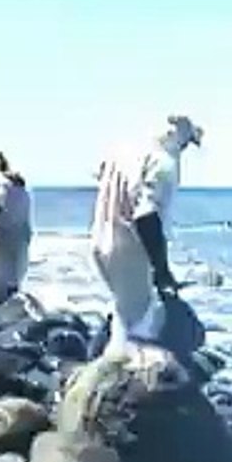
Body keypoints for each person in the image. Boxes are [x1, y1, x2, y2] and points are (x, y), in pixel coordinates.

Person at [89, 114, 202, 353]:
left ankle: (95, 364)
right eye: (186, 143)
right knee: (137, 326)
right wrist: (162, 271)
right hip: (130, 249)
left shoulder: (128, 153)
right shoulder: (164, 164)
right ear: (179, 139)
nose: (184, 149)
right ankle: (119, 380)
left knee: (121, 312)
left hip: (101, 243)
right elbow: (146, 216)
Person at [0, 151, 33, 300]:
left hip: (5, 233)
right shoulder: (20, 185)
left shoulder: (0, 181)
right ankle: (14, 304)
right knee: (15, 273)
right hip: (21, 233)